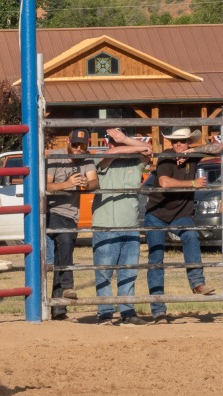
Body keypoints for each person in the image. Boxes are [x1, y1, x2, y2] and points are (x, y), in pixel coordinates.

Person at [145, 126, 215, 324]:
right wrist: (193, 184)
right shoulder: (166, 157)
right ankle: (158, 310)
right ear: (170, 143)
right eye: (176, 141)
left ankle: (197, 283)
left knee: (191, 235)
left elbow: (218, 147)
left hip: (180, 214)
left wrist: (192, 152)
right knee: (156, 260)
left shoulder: (192, 154)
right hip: (157, 213)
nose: (179, 145)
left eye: (183, 141)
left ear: (188, 142)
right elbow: (165, 182)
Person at [92, 128, 151, 326]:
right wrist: (121, 145)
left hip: (131, 225)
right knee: (104, 271)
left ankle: (128, 312)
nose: (114, 144)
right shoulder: (101, 160)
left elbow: (149, 150)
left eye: (118, 141)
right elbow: (110, 154)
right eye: (112, 141)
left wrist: (124, 139)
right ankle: (105, 314)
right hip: (105, 224)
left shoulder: (136, 162)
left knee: (129, 271)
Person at [46, 128, 98, 320]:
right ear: (68, 141)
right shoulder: (55, 157)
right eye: (75, 144)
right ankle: (68, 285)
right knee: (66, 241)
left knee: (63, 257)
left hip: (71, 215)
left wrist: (86, 183)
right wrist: (67, 183)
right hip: (52, 211)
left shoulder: (86, 158)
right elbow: (46, 185)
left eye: (82, 145)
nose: (78, 149)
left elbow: (95, 182)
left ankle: (58, 308)